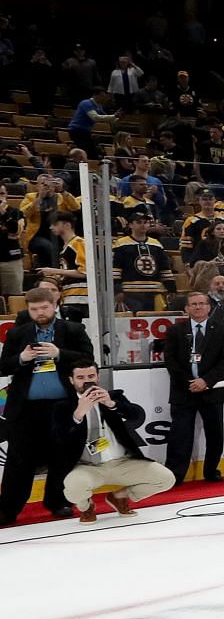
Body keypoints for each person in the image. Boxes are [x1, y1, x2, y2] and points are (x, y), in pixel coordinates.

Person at [0, 287, 94, 523]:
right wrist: (22, 359)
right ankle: (8, 509)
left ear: (54, 305)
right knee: (19, 461)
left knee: (63, 456)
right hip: (26, 410)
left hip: (63, 407)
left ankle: (58, 502)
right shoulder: (17, 334)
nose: (40, 312)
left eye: (44, 307)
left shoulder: (73, 329)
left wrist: (60, 353)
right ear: (28, 310)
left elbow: (88, 359)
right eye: (34, 309)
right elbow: (4, 366)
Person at [56, 366, 174, 521]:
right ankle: (86, 507)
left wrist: (111, 404)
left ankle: (119, 497)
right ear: (71, 380)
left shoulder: (113, 397)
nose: (87, 381)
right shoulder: (63, 406)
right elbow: (58, 437)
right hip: (88, 467)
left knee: (166, 479)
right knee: (73, 488)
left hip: (122, 463)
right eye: (81, 377)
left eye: (91, 376)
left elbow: (136, 415)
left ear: (98, 377)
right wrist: (78, 413)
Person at [162, 291, 224, 484]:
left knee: (215, 434)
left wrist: (205, 381)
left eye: (202, 303)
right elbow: (170, 360)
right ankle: (175, 476)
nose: (198, 307)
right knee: (180, 435)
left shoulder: (223, 329)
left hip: (213, 389)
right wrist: (190, 383)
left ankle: (211, 471)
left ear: (209, 307)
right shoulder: (175, 331)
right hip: (183, 391)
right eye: (193, 304)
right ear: (186, 308)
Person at [112, 207, 170, 313]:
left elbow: (165, 269)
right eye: (138, 222)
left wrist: (172, 289)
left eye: (146, 222)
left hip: (154, 291)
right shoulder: (121, 243)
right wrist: (117, 290)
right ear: (130, 225)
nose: (143, 225)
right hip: (130, 292)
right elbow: (115, 270)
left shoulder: (156, 244)